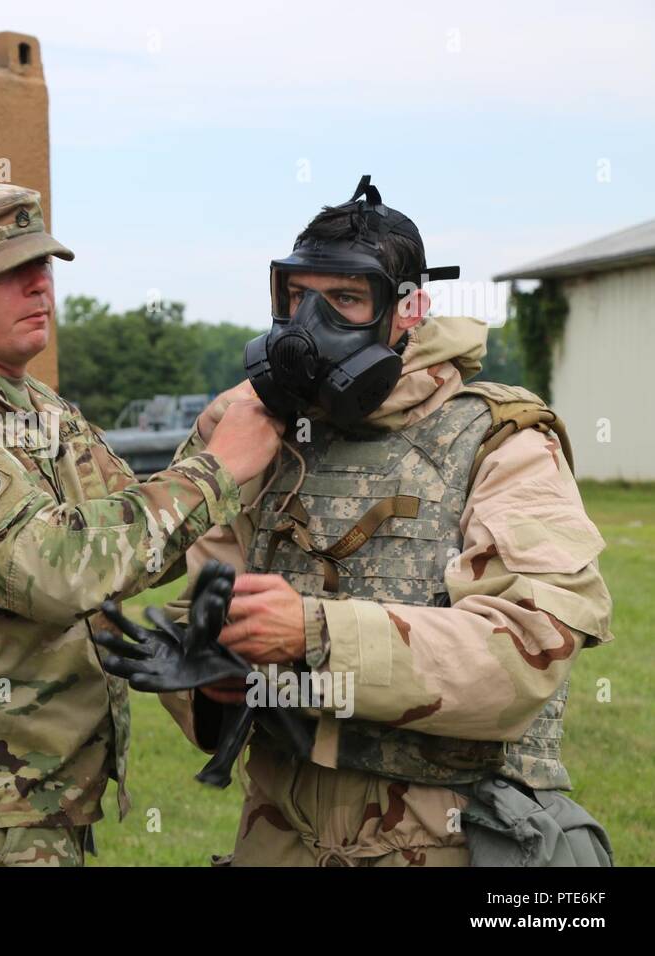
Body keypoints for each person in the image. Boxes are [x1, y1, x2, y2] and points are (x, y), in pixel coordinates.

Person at [150, 175, 615, 866]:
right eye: (296, 298)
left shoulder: (500, 441)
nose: (311, 325)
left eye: (343, 299)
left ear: (408, 309)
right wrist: (213, 676)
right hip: (279, 836)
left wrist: (313, 633)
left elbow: (527, 650)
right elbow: (202, 600)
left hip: (444, 837)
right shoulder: (262, 431)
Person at [0, 182, 284, 866]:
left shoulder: (40, 410)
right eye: (7, 273)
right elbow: (54, 571)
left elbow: (137, 545)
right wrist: (216, 470)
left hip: (45, 806)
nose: (38, 288)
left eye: (43, 267)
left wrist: (213, 439)